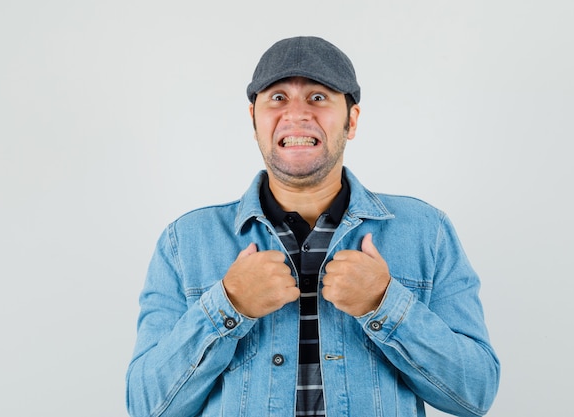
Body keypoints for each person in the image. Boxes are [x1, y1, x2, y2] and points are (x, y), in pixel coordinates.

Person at [126, 36, 500, 417]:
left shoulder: (426, 232)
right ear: (253, 120)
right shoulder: (184, 242)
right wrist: (229, 303)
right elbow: (147, 407)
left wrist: (385, 304)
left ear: (351, 120)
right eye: (278, 98)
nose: (298, 114)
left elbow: (475, 393)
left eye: (318, 97)